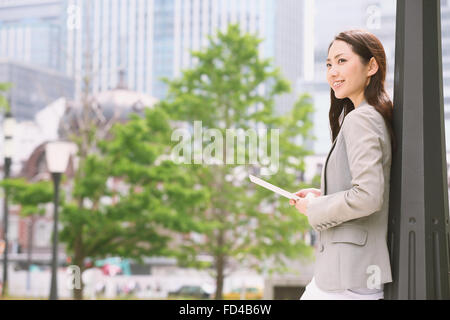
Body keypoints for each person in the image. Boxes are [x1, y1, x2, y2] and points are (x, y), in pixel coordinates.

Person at [289, 29, 396, 300]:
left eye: (341, 61)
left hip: (347, 278)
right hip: (350, 276)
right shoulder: (371, 115)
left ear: (371, 66)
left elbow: (369, 197)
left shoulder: (361, 119)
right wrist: (322, 196)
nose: (332, 72)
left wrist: (315, 207)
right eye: (328, 64)